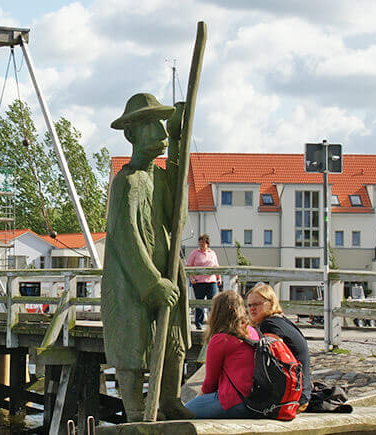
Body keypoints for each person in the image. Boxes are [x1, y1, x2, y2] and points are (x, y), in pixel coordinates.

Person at [102, 92, 190, 421]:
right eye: (152, 125)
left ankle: (170, 399)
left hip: (165, 271)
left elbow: (177, 219)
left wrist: (180, 142)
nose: (161, 132)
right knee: (133, 341)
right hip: (134, 280)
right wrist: (151, 283)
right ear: (133, 134)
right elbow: (124, 237)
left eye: (162, 125)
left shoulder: (160, 177)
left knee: (173, 337)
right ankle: (136, 409)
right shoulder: (125, 182)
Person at [184, 290, 260, 418]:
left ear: (217, 312)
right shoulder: (252, 331)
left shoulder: (220, 339)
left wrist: (196, 401)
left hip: (234, 400)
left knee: (184, 412)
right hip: (254, 400)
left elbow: (209, 384)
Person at [247, 283, 311, 411]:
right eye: (249, 305)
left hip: (292, 399)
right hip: (302, 393)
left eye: (257, 304)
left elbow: (273, 362)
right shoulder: (282, 321)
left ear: (270, 303)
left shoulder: (269, 326)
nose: (252, 309)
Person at [186, 234, 221, 329]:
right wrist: (191, 278)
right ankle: (199, 323)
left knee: (213, 302)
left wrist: (219, 277)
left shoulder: (212, 253)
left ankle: (214, 322)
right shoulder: (195, 253)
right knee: (199, 303)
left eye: (203, 243)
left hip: (211, 281)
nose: (201, 245)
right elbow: (189, 266)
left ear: (207, 244)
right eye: (200, 243)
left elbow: (216, 266)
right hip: (199, 281)